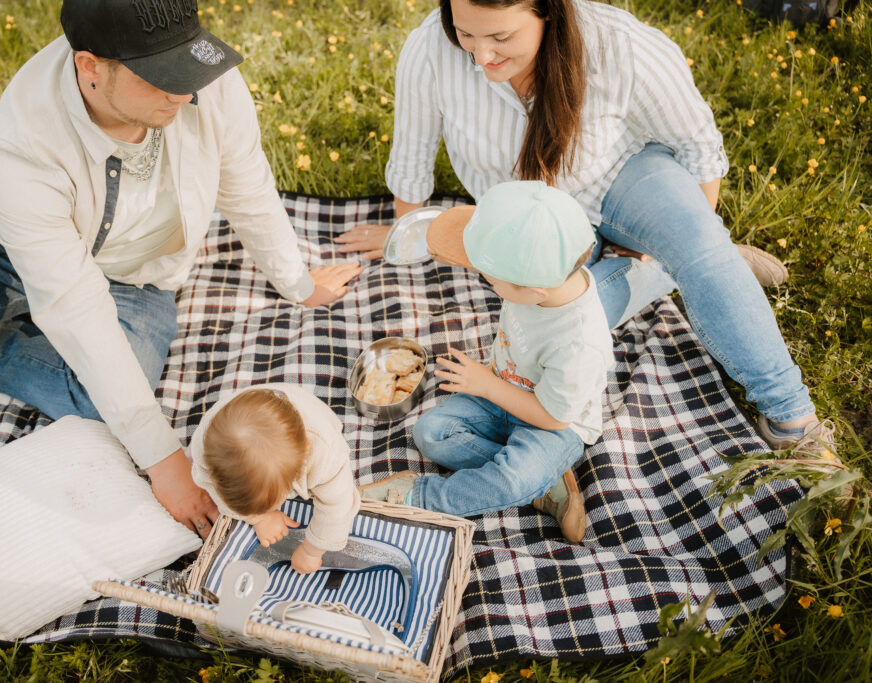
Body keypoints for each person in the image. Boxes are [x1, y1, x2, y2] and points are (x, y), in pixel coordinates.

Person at [0, 0, 362, 535]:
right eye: (163, 78)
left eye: (188, 68)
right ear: (90, 66)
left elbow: (247, 186)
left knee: (112, 397)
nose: (185, 93)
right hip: (2, 253)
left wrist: (297, 283)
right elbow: (74, 305)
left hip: (136, 278)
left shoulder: (205, 84)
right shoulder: (21, 144)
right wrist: (165, 463)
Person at [336, 0, 838, 461]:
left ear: (547, 11)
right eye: (465, 33)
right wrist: (409, 228)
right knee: (568, 325)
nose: (480, 55)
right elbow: (412, 153)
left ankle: (792, 419)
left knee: (703, 250)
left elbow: (698, 145)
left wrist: (698, 239)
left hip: (622, 180)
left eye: (501, 38)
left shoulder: (619, 43)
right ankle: (668, 271)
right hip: (532, 224)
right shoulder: (429, 48)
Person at [361, 181, 612, 543]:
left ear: (533, 291)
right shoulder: (540, 271)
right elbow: (494, 238)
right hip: (501, 392)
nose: (486, 281)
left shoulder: (579, 344)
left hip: (553, 424)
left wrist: (485, 384)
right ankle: (546, 484)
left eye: (490, 280)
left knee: (514, 478)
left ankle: (420, 495)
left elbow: (554, 416)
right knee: (430, 433)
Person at [190, 383, 361, 573]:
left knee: (335, 494)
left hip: (311, 419)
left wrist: (311, 551)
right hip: (250, 409)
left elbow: (337, 508)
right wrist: (259, 518)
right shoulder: (204, 446)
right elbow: (210, 484)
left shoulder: (324, 454)